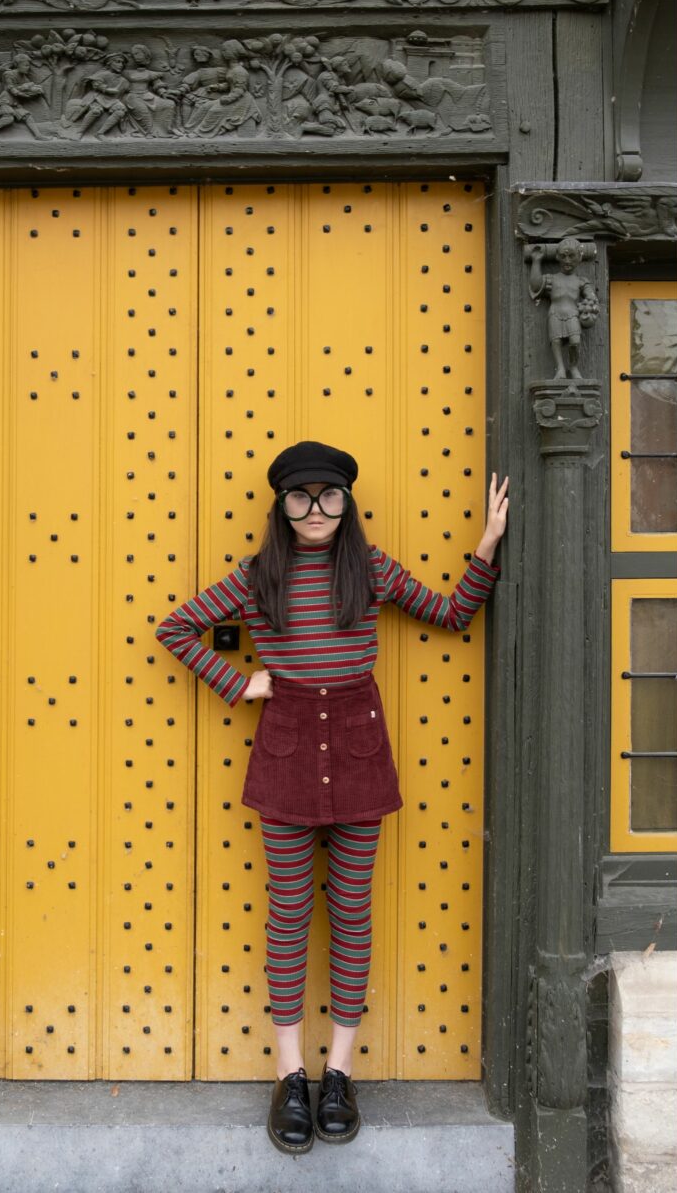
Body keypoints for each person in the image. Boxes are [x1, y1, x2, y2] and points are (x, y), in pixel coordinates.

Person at [154, 441, 510, 1154]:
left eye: (328, 495)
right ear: (281, 506)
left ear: (347, 502)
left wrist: (488, 545)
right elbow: (175, 628)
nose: (315, 509)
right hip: (285, 751)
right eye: (300, 496)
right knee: (289, 914)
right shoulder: (259, 575)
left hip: (357, 748)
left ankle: (339, 1072)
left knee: (351, 910)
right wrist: (239, 682)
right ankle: (290, 1075)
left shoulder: (369, 568)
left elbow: (451, 614)